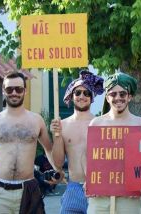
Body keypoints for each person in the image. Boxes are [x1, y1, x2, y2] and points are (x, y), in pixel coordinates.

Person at [0, 71, 61, 214]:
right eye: (9, 89)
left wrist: (58, 171)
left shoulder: (37, 120)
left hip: (28, 190)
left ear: (25, 91)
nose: (14, 92)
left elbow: (48, 149)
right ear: (3, 91)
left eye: (19, 89)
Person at [87, 72, 141, 214]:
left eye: (122, 94)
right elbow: (87, 156)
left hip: (130, 197)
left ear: (130, 96)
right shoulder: (96, 124)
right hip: (99, 197)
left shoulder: (140, 124)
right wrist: (89, 181)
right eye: (113, 94)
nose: (118, 98)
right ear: (107, 97)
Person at [50, 69, 104, 214]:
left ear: (92, 97)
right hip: (73, 188)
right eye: (77, 92)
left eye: (86, 93)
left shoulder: (101, 124)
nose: (82, 96)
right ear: (71, 96)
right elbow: (58, 163)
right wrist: (57, 136)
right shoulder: (63, 125)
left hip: (98, 188)